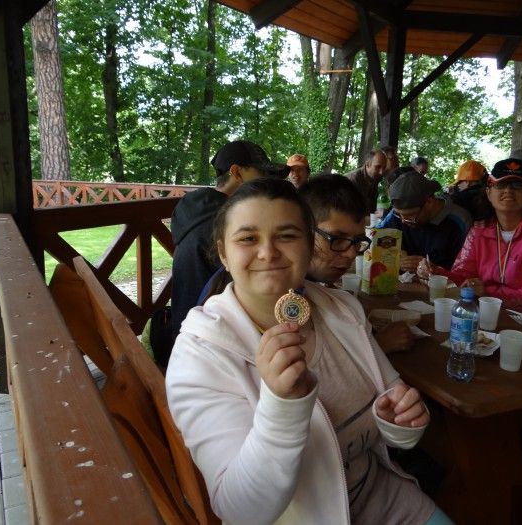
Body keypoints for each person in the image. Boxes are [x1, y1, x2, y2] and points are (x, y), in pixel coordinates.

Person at [166, 178, 451, 525]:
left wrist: (402, 423)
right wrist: (281, 405)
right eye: (248, 238)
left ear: (308, 245)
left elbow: (393, 407)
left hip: (386, 499)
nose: (268, 252)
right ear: (223, 253)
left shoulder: (343, 310)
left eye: (287, 235)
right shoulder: (200, 356)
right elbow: (241, 511)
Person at [170, 140, 289, 344]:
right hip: (206, 337)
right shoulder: (229, 223)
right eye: (262, 173)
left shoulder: (200, 211)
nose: (267, 182)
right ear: (236, 172)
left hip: (186, 323)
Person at [419, 158, 522, 318]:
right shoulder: (479, 230)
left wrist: (486, 294)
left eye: (517, 185)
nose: (508, 190)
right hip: (484, 315)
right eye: (501, 185)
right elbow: (463, 276)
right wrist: (436, 273)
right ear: (489, 192)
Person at [300, 174, 416, 353]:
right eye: (337, 239)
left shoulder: (324, 293)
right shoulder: (286, 301)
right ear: (301, 232)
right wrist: (378, 345)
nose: (351, 253)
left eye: (357, 241)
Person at [381, 170, 472, 272]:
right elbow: (377, 239)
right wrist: (395, 256)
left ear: (429, 202)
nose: (403, 221)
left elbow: (463, 271)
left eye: (410, 216)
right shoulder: (397, 214)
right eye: (398, 215)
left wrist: (433, 269)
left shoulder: (460, 222)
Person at [346, 148, 387, 215]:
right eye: (378, 167)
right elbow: (348, 212)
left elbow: (372, 208)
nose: (381, 172)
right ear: (367, 164)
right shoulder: (352, 180)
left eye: (384, 168)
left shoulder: (377, 179)